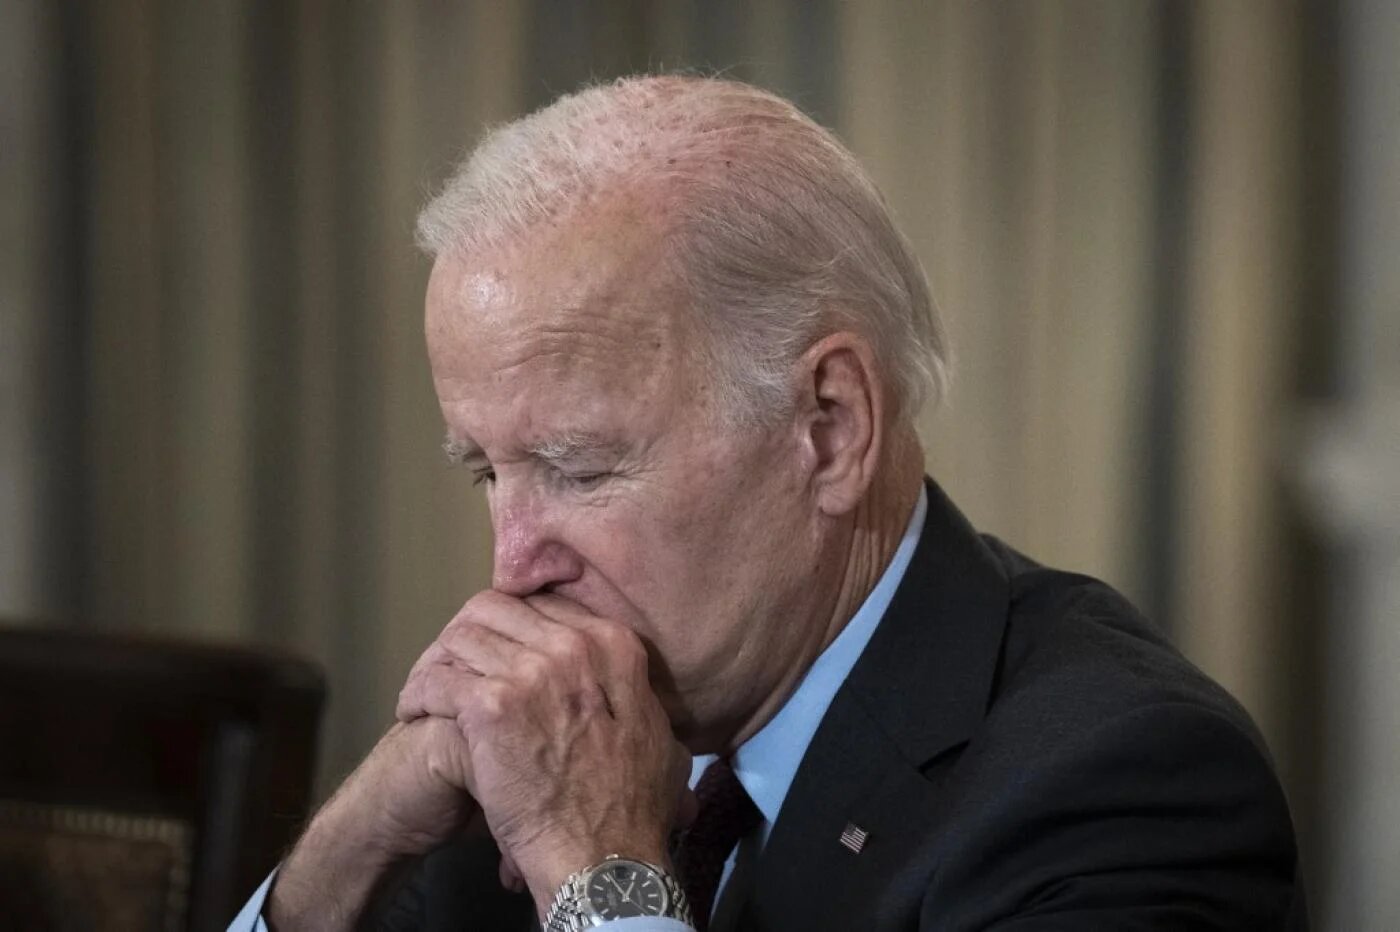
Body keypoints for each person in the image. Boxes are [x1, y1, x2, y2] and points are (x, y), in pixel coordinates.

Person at [230, 75, 1304, 931]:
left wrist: (602, 887)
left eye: (580, 467)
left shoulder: (1119, 786)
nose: (512, 563)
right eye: (485, 471)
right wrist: (351, 849)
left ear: (828, 427)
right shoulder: (549, 730)